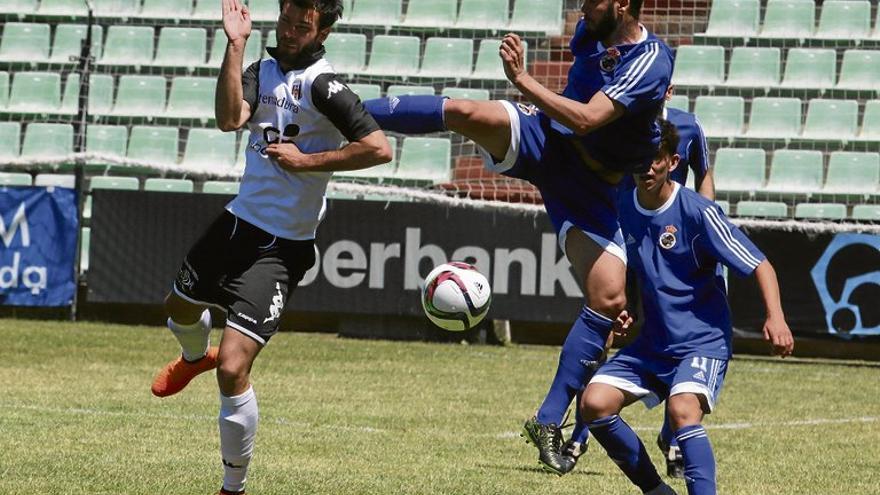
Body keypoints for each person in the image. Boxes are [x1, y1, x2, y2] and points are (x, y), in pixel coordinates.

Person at [363, 0, 673, 474]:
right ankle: (343, 110)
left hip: (591, 187)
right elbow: (573, 118)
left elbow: (588, 118)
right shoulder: (591, 31)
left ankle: (548, 421)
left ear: (624, 4)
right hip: (545, 139)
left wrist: (523, 80)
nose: (582, 9)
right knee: (466, 111)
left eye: (592, 2)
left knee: (609, 300)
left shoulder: (651, 60)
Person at [149, 1, 392, 493]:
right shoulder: (262, 70)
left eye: (302, 26)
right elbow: (227, 119)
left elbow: (379, 148)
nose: (290, 31)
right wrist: (235, 47)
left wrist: (309, 162)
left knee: (235, 367)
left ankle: (231, 487)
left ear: (322, 30)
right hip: (237, 223)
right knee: (177, 309)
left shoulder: (325, 86)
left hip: (282, 248)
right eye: (285, 21)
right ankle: (195, 358)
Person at [579, 120, 795, 495]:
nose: (647, 168)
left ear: (673, 161)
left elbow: (761, 264)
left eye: (656, 160)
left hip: (701, 342)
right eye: (640, 160)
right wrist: (624, 308)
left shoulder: (698, 213)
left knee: (682, 412)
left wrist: (775, 317)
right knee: (595, 404)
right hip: (653, 344)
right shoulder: (622, 206)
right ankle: (656, 490)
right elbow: (628, 265)